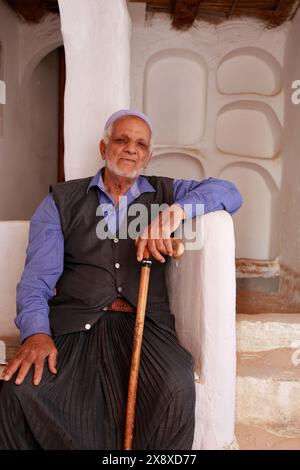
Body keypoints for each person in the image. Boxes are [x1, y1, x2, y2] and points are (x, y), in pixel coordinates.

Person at [0, 109, 242, 450]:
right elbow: (36, 280)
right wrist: (37, 333)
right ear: (103, 148)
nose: (131, 149)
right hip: (77, 325)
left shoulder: (164, 193)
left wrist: (174, 213)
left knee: (176, 386)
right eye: (122, 140)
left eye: (141, 144)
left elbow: (229, 191)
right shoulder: (61, 201)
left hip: (145, 324)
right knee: (21, 391)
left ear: (148, 155)